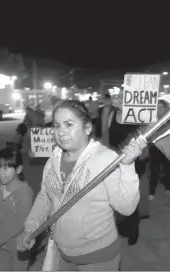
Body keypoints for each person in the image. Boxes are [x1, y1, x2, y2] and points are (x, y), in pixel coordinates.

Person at [16, 100, 146, 271]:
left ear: (87, 128)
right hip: (60, 255)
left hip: (98, 260)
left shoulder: (105, 159)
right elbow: (45, 197)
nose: (61, 132)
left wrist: (128, 166)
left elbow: (126, 208)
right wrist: (30, 227)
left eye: (69, 124)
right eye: (57, 126)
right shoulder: (53, 160)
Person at [105, 97, 150, 246]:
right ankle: (120, 226)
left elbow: (145, 134)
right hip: (114, 162)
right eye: (117, 96)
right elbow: (107, 138)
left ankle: (132, 229)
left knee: (130, 195)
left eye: (121, 97)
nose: (116, 99)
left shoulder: (137, 116)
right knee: (116, 193)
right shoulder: (111, 115)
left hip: (134, 162)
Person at [149, 100, 170, 200]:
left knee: (168, 169)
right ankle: (151, 192)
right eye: (158, 107)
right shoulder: (152, 120)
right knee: (154, 170)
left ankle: (168, 188)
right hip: (155, 148)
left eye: (161, 107)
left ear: (165, 109)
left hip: (167, 147)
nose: (159, 110)